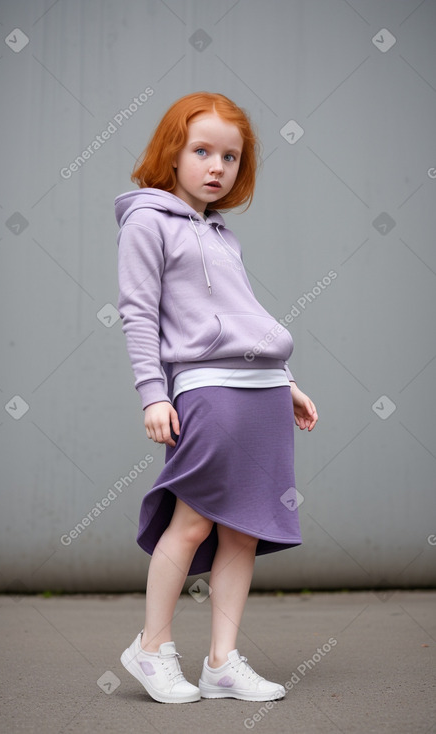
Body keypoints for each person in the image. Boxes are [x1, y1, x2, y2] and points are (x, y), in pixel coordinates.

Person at [115, 91, 318, 704]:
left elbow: (245, 317)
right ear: (171, 152)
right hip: (206, 390)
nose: (216, 167)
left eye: (230, 157)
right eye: (201, 150)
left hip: (261, 392)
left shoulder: (220, 233)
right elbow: (137, 313)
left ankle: (222, 663)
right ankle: (151, 650)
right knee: (194, 517)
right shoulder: (147, 222)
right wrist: (154, 393)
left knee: (242, 531)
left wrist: (285, 382)